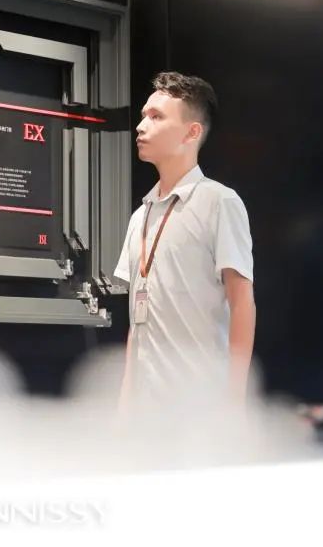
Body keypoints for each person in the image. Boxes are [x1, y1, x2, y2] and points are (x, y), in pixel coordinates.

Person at [115, 71, 255, 410]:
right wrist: (123, 407)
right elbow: (136, 323)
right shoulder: (140, 216)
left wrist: (235, 402)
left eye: (156, 117)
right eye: (143, 115)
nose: (141, 126)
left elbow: (242, 303)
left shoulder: (219, 202)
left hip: (199, 406)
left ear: (192, 132)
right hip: (145, 412)